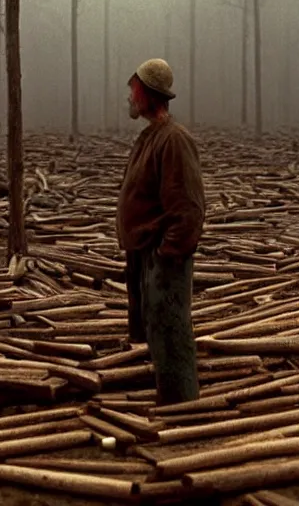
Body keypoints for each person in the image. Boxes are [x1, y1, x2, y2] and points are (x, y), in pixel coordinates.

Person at [116, 58, 206, 405]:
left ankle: (183, 410)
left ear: (149, 94)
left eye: (134, 88)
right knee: (154, 329)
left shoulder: (174, 140)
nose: (130, 95)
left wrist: (168, 253)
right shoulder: (150, 137)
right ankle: (169, 399)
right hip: (147, 255)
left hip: (163, 257)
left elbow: (187, 207)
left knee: (170, 331)